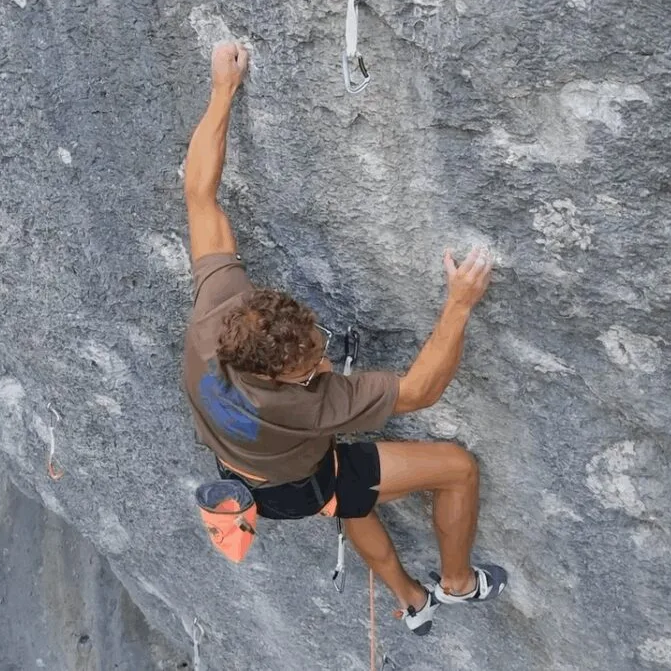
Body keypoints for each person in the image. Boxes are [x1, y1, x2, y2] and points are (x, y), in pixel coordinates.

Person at [182, 41, 507, 635]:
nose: (326, 357)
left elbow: (200, 192)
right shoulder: (310, 404)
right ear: (283, 380)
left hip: (251, 478)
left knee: (349, 495)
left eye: (316, 338)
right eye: (312, 364)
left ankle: (412, 601)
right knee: (455, 468)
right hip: (303, 476)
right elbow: (421, 390)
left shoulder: (215, 317)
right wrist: (458, 305)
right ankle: (456, 586)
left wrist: (222, 88)